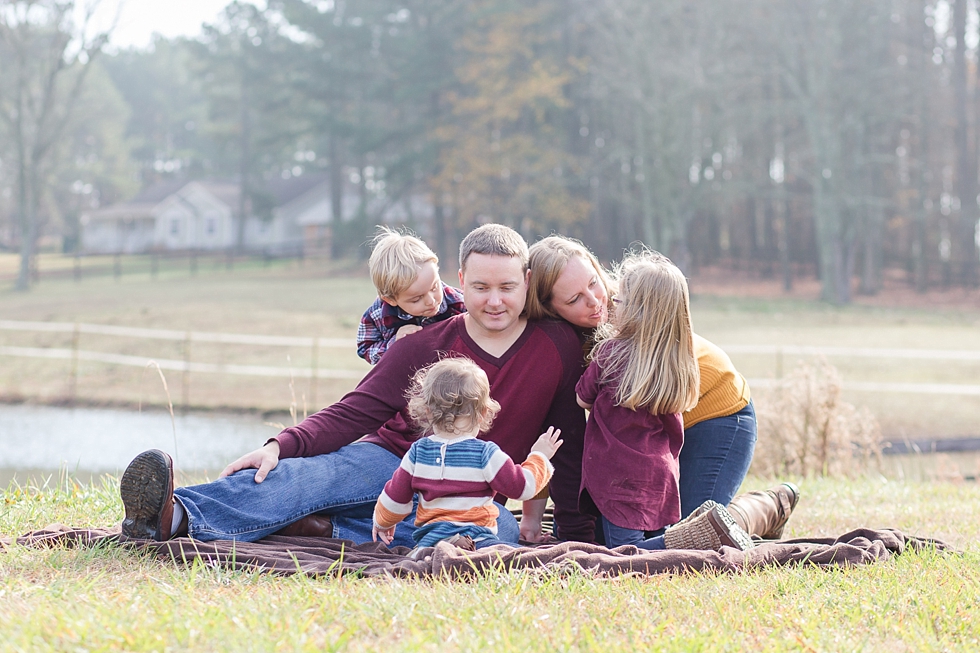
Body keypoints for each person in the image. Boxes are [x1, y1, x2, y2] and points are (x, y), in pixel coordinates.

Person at [120, 223, 595, 546]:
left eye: (507, 287)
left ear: (527, 281)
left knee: (501, 537)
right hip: (390, 458)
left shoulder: (555, 347)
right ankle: (171, 516)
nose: (494, 301)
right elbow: (354, 410)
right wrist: (280, 446)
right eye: (481, 287)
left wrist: (574, 533)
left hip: (471, 493)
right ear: (461, 281)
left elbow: (564, 444)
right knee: (307, 478)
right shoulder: (422, 344)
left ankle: (325, 529)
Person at [524, 235, 798, 543]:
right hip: (649, 440)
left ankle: (765, 507)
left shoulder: (631, 304)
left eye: (594, 282)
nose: (594, 300)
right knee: (609, 533)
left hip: (716, 416)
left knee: (694, 532)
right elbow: (563, 432)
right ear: (547, 307)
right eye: (574, 299)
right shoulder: (556, 343)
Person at [575, 250, 753, 551]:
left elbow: (582, 399)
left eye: (620, 299)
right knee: (675, 532)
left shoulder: (609, 354)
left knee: (634, 550)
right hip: (661, 469)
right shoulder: (675, 360)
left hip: (723, 420)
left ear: (636, 310)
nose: (611, 303)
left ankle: (733, 521)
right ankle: (760, 507)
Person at [373, 358, 563, 550]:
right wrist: (539, 456)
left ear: (428, 412)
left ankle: (441, 552)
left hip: (431, 541)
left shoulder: (418, 452)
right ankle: (462, 549)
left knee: (419, 558)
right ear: (482, 413)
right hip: (479, 538)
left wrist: (383, 522)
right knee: (504, 554)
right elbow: (522, 487)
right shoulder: (485, 454)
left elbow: (395, 497)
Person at [356, 228, 465, 365]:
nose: (431, 301)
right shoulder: (377, 315)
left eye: (434, 287)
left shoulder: (460, 303)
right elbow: (365, 348)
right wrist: (394, 343)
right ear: (391, 299)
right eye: (416, 299)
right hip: (405, 379)